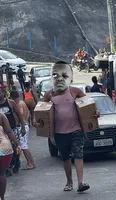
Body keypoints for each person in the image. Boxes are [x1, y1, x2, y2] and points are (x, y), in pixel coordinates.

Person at [34, 61, 100, 192]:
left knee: (78, 154)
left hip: (76, 130)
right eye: (56, 75)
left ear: (70, 78)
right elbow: (39, 111)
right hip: (59, 132)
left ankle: (80, 183)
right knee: (65, 158)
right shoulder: (49, 94)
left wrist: (96, 112)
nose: (60, 79)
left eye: (64, 76)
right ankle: (69, 182)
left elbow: (89, 105)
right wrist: (35, 122)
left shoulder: (75, 91)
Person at [0, 84, 26, 175]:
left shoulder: (10, 103)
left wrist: (23, 127)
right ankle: (7, 167)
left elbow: (19, 114)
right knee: (5, 150)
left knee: (15, 148)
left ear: (3, 93)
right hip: (2, 132)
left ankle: (17, 162)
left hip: (13, 129)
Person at [0, 113, 22, 200]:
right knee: (2, 174)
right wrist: (17, 144)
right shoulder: (1, 116)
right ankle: (2, 198)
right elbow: (9, 132)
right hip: (4, 147)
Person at [10, 91, 36, 170]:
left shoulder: (18, 104)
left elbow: (20, 114)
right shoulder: (22, 102)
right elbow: (27, 113)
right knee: (25, 145)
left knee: (23, 146)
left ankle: (30, 163)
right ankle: (31, 162)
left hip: (22, 126)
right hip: (25, 124)